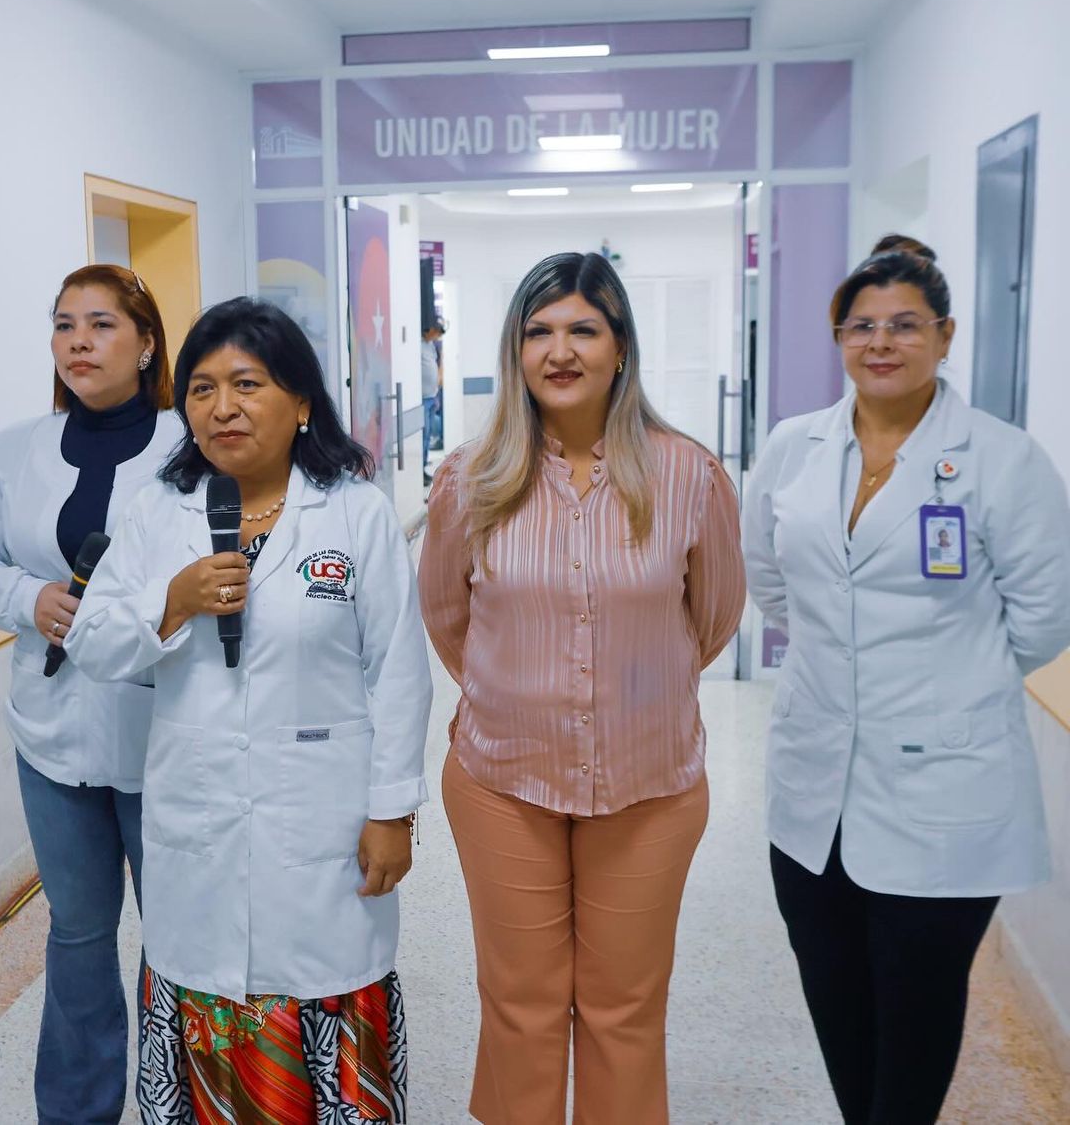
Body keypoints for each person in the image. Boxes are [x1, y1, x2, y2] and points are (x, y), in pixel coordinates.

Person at [64, 296, 432, 1125]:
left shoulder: (355, 513)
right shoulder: (160, 512)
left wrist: (392, 811)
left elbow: (401, 675)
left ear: (300, 402)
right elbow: (91, 643)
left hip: (325, 833)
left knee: (327, 999)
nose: (222, 407)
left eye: (246, 384)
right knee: (205, 1005)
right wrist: (171, 602)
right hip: (199, 834)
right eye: (201, 388)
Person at [742, 236, 1070, 1125]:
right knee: (839, 1008)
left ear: (945, 335)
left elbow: (1044, 619)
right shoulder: (794, 447)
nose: (881, 342)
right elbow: (770, 579)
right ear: (838, 338)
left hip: (944, 791)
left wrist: (943, 683)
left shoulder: (1003, 460)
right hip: (814, 789)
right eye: (861, 326)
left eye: (905, 324)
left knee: (915, 1025)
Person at [418, 251, 745, 1124]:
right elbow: (447, 617)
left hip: (648, 783)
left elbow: (713, 615)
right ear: (516, 351)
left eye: (583, 330)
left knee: (623, 1009)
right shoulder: (470, 479)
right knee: (520, 1006)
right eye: (539, 332)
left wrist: (626, 694)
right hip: (504, 781)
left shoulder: (688, 475)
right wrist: (527, 693)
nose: (559, 351)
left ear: (621, 347)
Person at [0, 265, 182, 1122]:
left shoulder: (190, 446)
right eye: (65, 324)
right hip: (50, 739)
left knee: (179, 939)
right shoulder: (14, 451)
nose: (79, 341)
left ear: (146, 344)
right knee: (78, 935)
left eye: (102, 324)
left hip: (168, 740)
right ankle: (78, 1110)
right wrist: (26, 598)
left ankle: (179, 1101)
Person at [421, 319, 444, 485]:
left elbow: (434, 365)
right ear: (430, 330)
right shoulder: (417, 344)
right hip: (421, 399)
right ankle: (420, 470)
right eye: (436, 333)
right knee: (423, 436)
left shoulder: (430, 346)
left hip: (431, 396)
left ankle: (423, 466)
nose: (437, 337)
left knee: (428, 435)